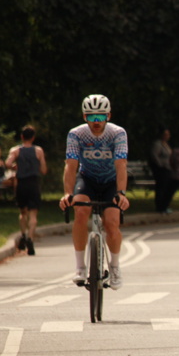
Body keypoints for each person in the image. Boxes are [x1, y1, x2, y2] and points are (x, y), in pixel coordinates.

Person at [59, 94, 130, 289]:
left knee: (112, 223)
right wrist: (67, 193)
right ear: (85, 117)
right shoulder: (76, 134)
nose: (96, 122)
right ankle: (80, 267)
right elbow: (71, 165)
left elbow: (121, 164)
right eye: (91, 117)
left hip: (111, 181)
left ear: (108, 116)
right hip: (87, 179)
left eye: (100, 116)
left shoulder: (117, 133)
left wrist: (121, 193)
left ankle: (114, 267)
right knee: (81, 211)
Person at [4, 126, 48, 255]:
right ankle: (30, 238)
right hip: (33, 183)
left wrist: (15, 166)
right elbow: (44, 170)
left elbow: (7, 163)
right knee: (33, 214)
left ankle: (23, 235)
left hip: (21, 184)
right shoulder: (38, 151)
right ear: (33, 137)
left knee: (23, 212)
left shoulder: (16, 150)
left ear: (22, 137)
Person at [150, 127, 174, 213]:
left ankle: (164, 206)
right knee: (161, 187)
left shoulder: (166, 145)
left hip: (168, 168)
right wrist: (160, 165)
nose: (167, 136)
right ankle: (160, 206)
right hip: (162, 169)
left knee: (166, 187)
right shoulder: (158, 144)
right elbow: (154, 155)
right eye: (165, 134)